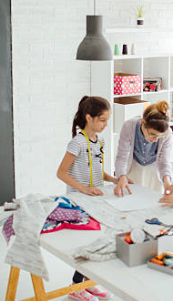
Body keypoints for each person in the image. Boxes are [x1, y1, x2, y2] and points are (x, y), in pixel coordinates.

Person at [56, 96, 115, 301]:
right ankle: (75, 286)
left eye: (107, 120)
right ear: (89, 118)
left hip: (96, 199)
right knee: (87, 244)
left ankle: (88, 283)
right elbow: (61, 173)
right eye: (102, 120)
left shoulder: (101, 141)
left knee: (98, 242)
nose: (106, 125)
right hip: (79, 201)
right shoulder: (77, 143)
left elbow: (98, 171)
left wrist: (116, 180)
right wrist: (84, 189)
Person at [114, 100, 173, 196]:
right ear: (143, 122)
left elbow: (164, 162)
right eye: (152, 134)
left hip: (154, 170)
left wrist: (167, 181)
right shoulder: (129, 126)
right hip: (133, 167)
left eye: (159, 137)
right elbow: (122, 157)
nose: (155, 140)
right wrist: (122, 176)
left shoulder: (167, 133)